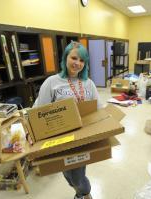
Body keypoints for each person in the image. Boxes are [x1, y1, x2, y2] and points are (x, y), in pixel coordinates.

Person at [34, 41, 101, 199]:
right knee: (66, 172)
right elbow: (38, 111)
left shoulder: (88, 83)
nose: (77, 63)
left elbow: (98, 108)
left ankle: (83, 193)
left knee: (77, 175)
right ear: (65, 58)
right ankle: (80, 191)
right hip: (59, 139)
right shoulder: (51, 82)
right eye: (74, 58)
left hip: (82, 138)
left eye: (82, 60)